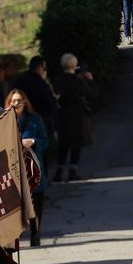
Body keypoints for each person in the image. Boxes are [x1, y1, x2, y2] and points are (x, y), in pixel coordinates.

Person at [5, 89, 49, 247]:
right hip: (13, 170)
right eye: (13, 101)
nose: (16, 104)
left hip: (32, 167)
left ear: (25, 102)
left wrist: (34, 142)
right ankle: (14, 238)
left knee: (37, 203)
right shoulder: (4, 121)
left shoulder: (35, 120)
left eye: (19, 100)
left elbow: (46, 140)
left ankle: (35, 233)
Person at [51, 53, 92, 182]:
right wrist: (90, 80)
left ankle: (59, 171)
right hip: (77, 114)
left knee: (63, 144)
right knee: (76, 144)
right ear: (74, 65)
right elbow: (92, 93)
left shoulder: (57, 80)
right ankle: (72, 171)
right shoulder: (79, 81)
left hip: (62, 114)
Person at [13, 55, 58, 140]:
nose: (44, 71)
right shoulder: (40, 83)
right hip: (40, 121)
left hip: (22, 120)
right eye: (44, 68)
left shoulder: (20, 80)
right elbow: (48, 104)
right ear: (39, 67)